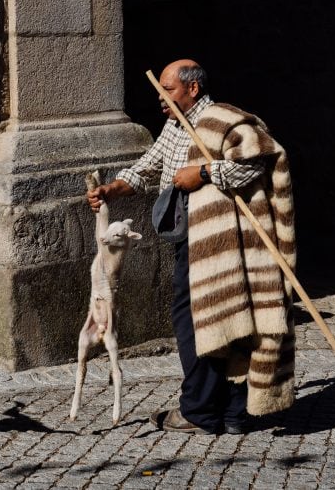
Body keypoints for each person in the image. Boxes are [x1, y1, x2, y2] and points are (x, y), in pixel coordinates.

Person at [87, 59, 297, 435]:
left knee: (202, 321)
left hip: (224, 244)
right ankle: (229, 413)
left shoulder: (224, 120)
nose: (160, 97)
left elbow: (257, 163)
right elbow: (146, 167)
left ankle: (201, 411)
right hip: (192, 240)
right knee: (219, 319)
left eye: (167, 89)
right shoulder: (174, 125)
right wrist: (112, 189)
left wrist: (202, 173)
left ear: (193, 88)